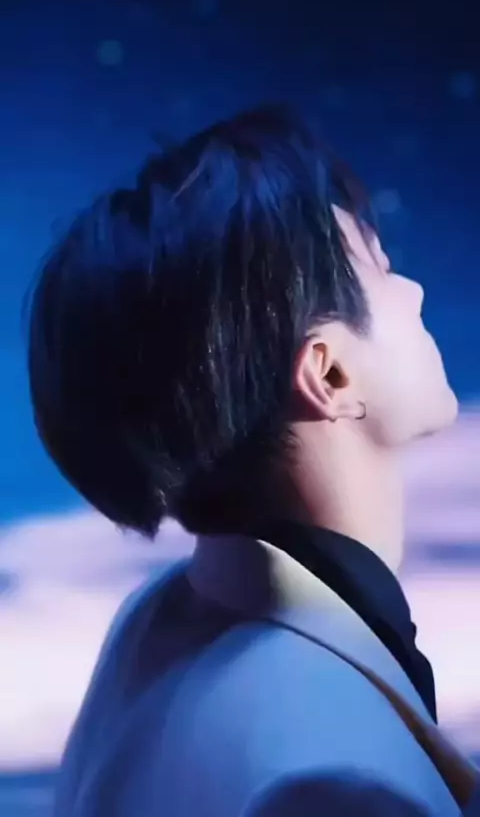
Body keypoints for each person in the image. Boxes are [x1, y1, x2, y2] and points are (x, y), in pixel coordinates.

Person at [27, 105, 479, 816]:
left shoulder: (158, 620)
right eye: (382, 270)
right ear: (329, 375)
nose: (415, 292)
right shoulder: (336, 782)